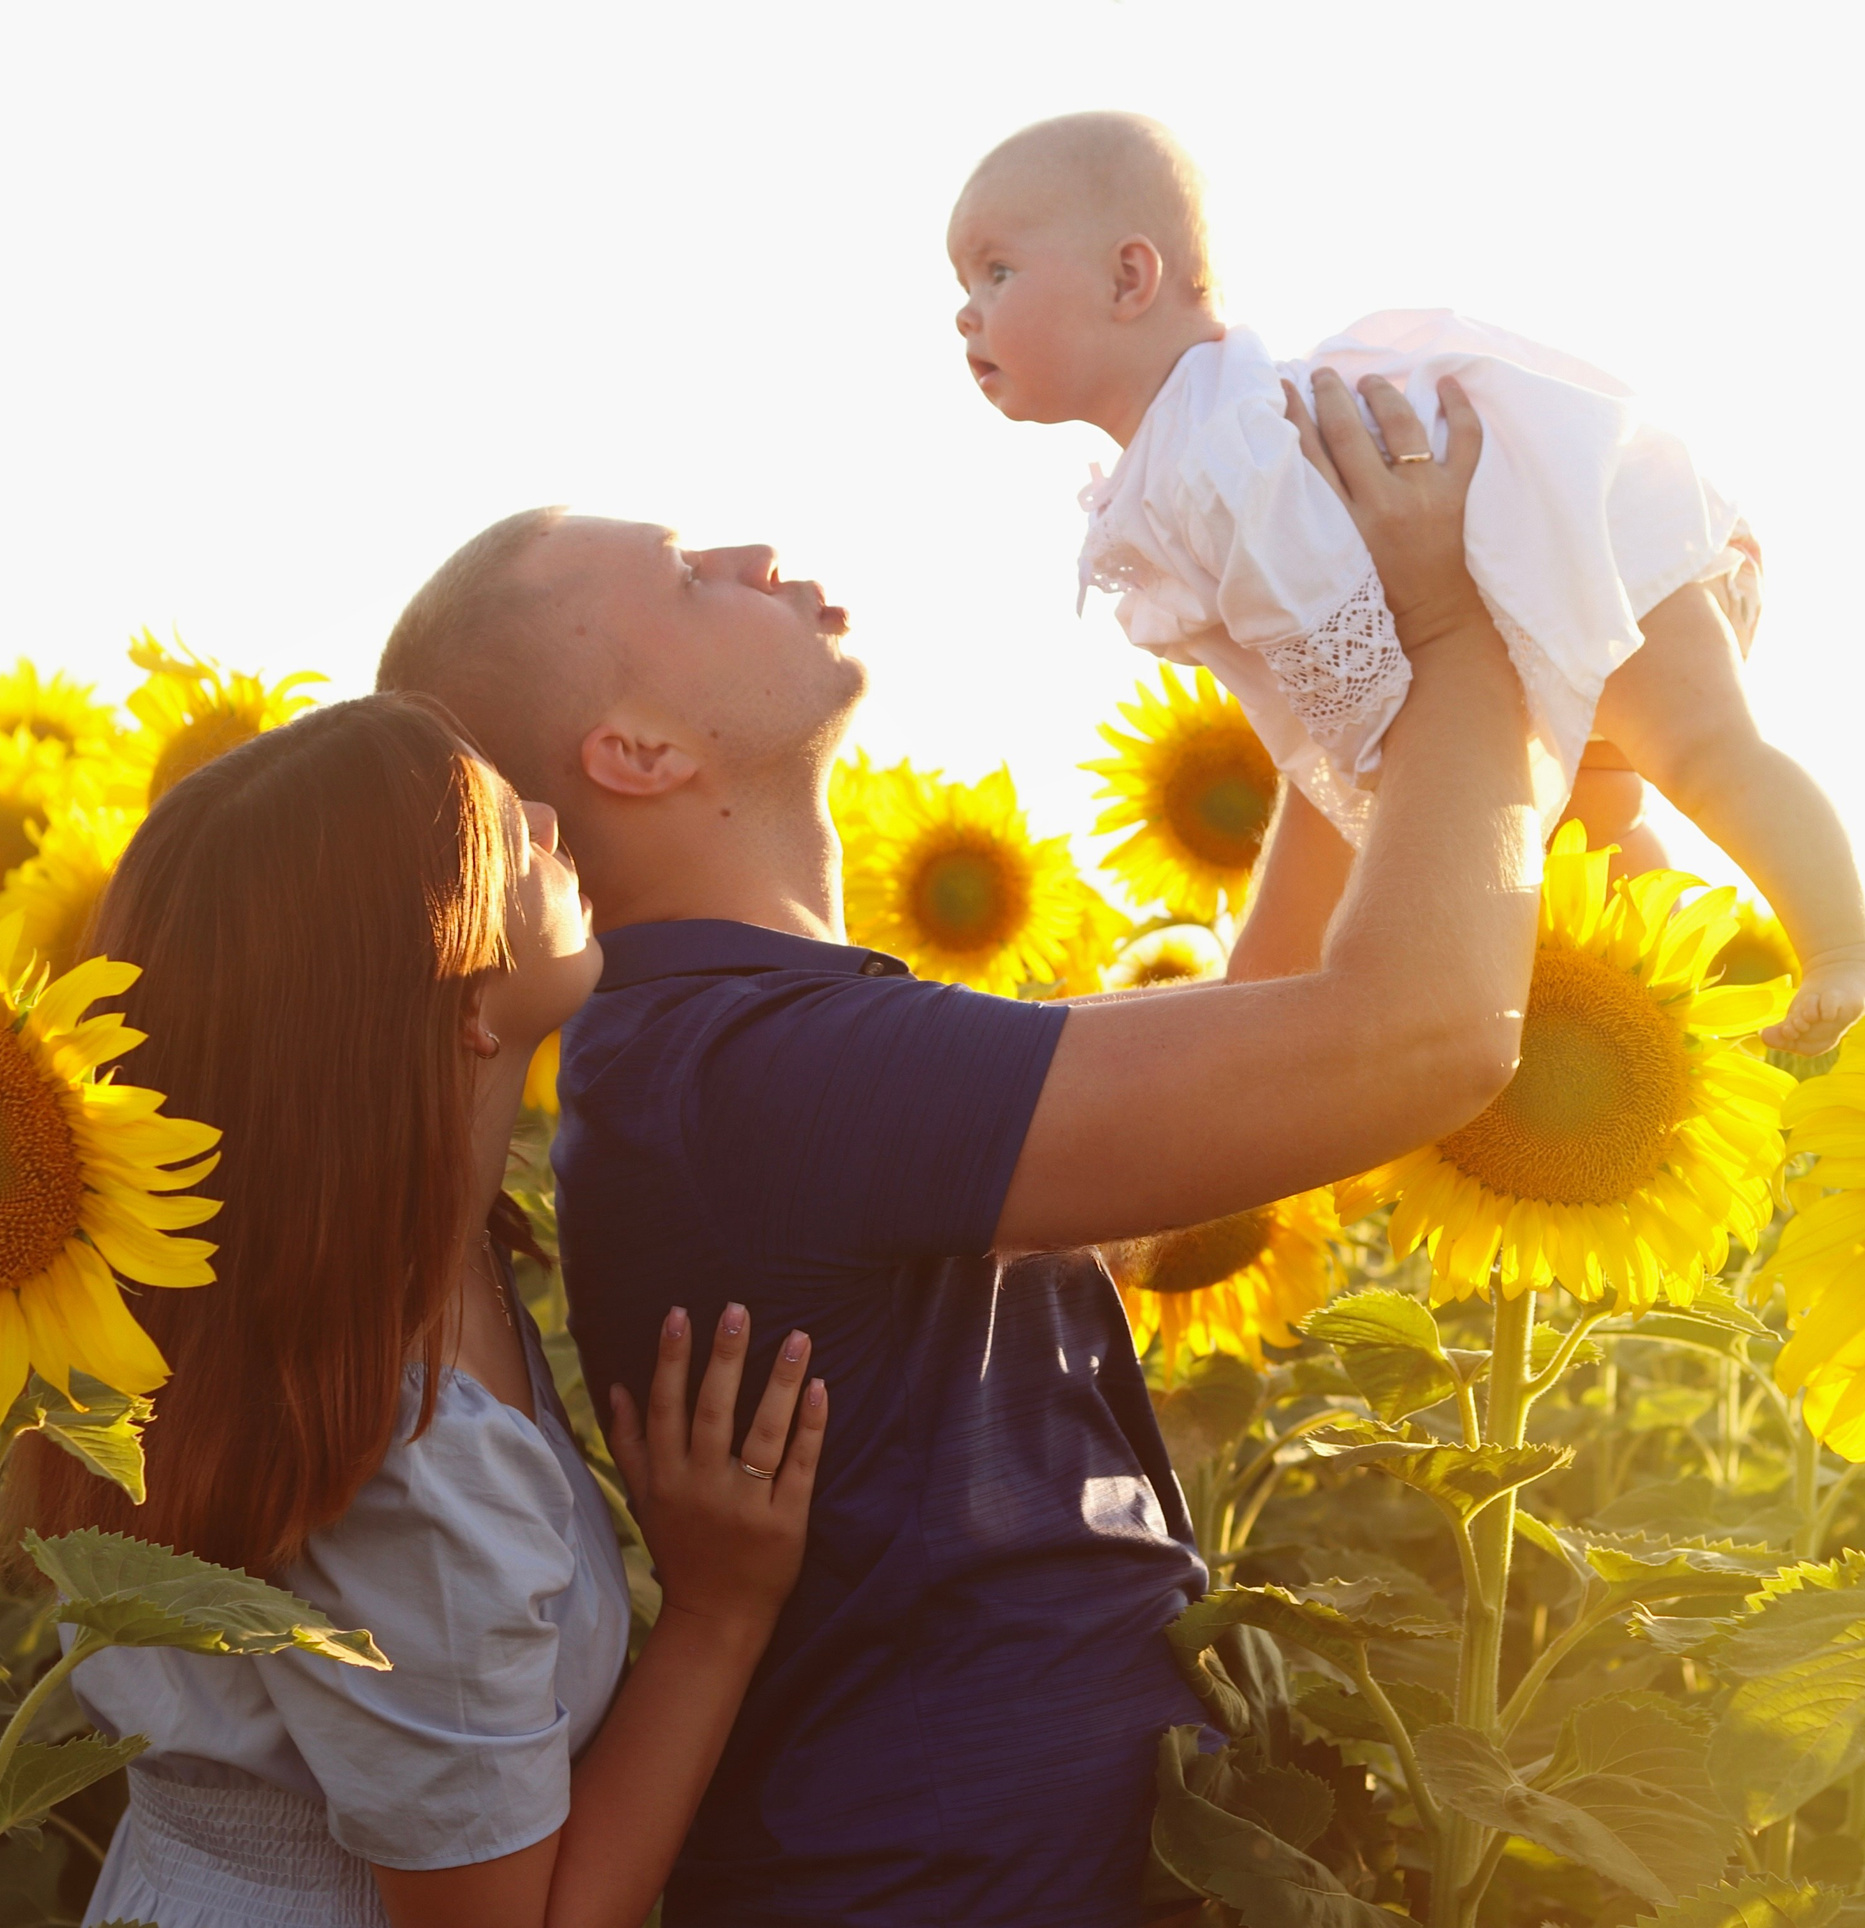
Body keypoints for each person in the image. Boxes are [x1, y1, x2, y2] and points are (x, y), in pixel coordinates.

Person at [374, 371, 1537, 1926]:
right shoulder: (758, 1071)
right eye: (683, 575)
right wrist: (1458, 637)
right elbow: (1430, 1036)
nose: (747, 554)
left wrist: (1333, 656)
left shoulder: (746, 1042)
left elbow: (1251, 1064)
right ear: (635, 751)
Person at [29, 693, 831, 1928]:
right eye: (508, 832)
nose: (551, 819)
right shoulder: (406, 1462)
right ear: (458, 988)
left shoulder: (314, 1284)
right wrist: (720, 1610)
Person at [947, 110, 1865, 1055]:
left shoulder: (1220, 446)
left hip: (1590, 555)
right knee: (1596, 831)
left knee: (1704, 753)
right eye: (962, 284)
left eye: (997, 272)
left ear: (1130, 278)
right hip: (1511, 627)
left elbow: (1340, 642)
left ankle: (1847, 947)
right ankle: (1665, 1023)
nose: (966, 311)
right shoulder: (1183, 450)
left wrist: (1406, 809)